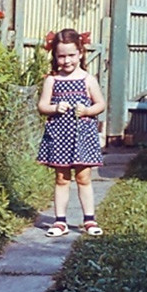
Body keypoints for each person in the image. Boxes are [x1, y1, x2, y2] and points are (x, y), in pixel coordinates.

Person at [36, 29, 107, 237]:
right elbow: (42, 105)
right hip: (59, 137)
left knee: (84, 177)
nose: (66, 60)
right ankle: (60, 221)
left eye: (71, 55)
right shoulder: (52, 80)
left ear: (81, 53)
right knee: (61, 178)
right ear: (55, 56)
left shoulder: (88, 79)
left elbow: (100, 104)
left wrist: (87, 111)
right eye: (61, 56)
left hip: (82, 136)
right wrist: (55, 108)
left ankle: (89, 219)